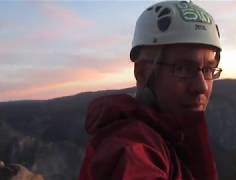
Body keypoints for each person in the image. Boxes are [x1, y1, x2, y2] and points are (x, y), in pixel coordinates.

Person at [79, 0, 222, 180]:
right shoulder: (130, 150)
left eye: (208, 69)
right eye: (182, 68)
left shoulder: (172, 138)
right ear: (142, 73)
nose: (201, 86)